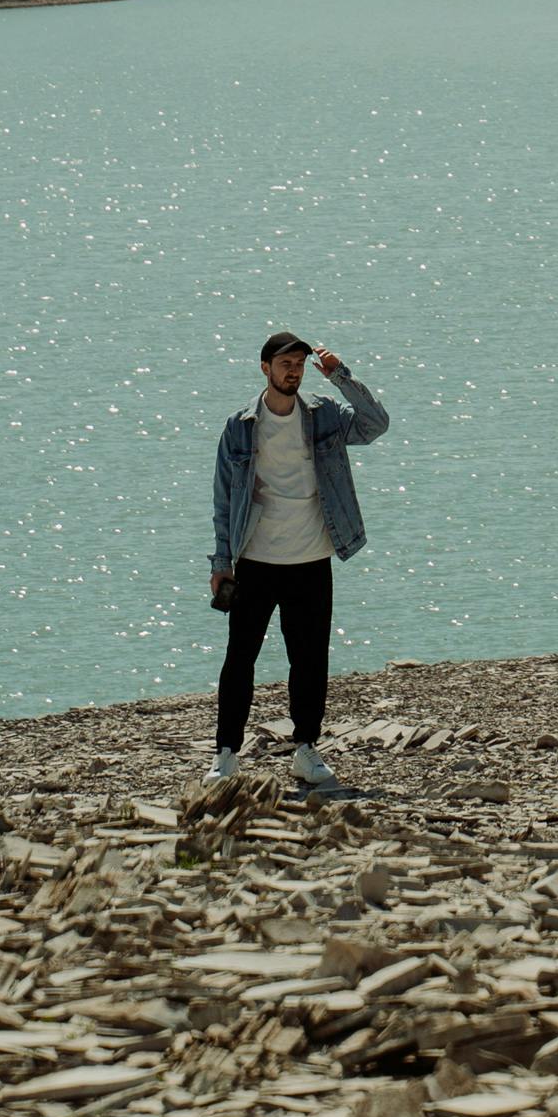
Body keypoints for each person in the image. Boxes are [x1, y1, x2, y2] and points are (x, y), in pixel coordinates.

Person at [209, 331, 389, 790]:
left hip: (311, 559)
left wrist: (340, 376)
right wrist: (221, 562)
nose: (293, 370)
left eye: (300, 364)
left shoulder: (323, 414)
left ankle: (306, 749)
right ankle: (226, 755)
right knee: (239, 660)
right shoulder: (241, 425)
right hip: (255, 560)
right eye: (285, 363)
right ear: (264, 367)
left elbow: (375, 424)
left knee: (308, 661)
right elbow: (224, 499)